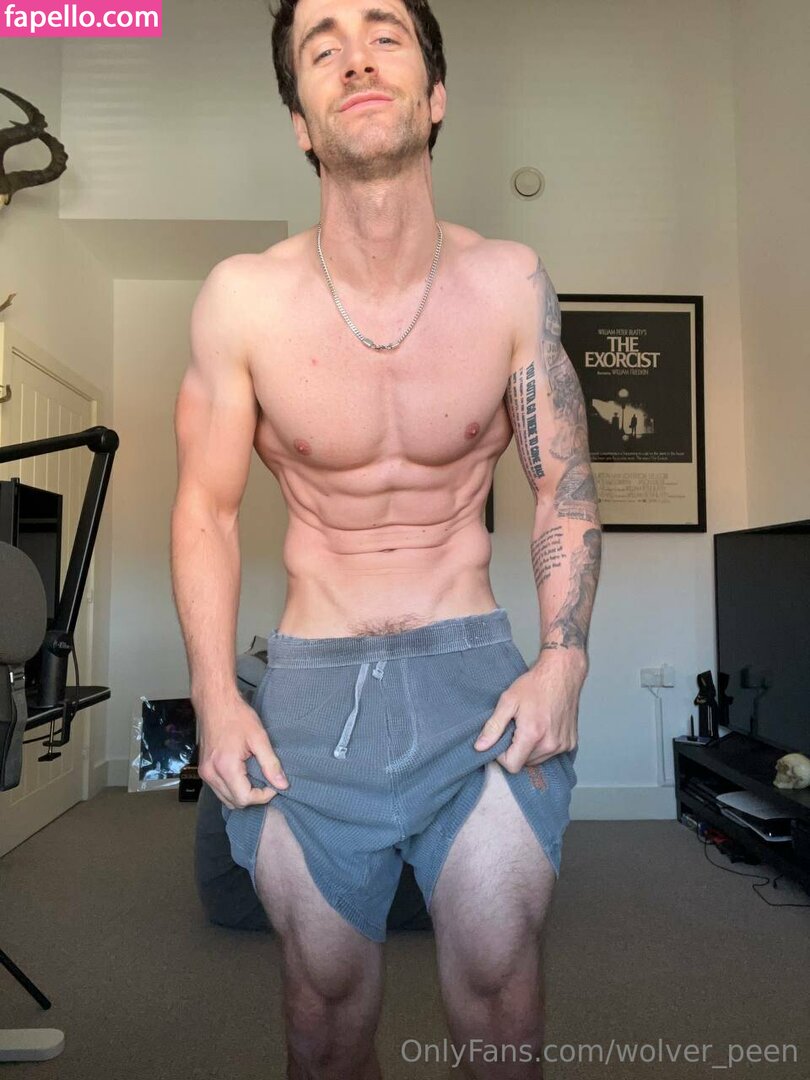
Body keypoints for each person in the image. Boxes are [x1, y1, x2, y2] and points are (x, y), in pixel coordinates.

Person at [170, 1, 602, 1076]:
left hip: (474, 680)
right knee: (323, 1017)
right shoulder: (242, 301)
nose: (355, 57)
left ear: (435, 94)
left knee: (500, 998)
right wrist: (215, 698)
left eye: (384, 34)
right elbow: (204, 511)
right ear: (301, 124)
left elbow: (562, 484)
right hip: (314, 692)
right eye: (322, 46)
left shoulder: (510, 283)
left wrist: (564, 661)